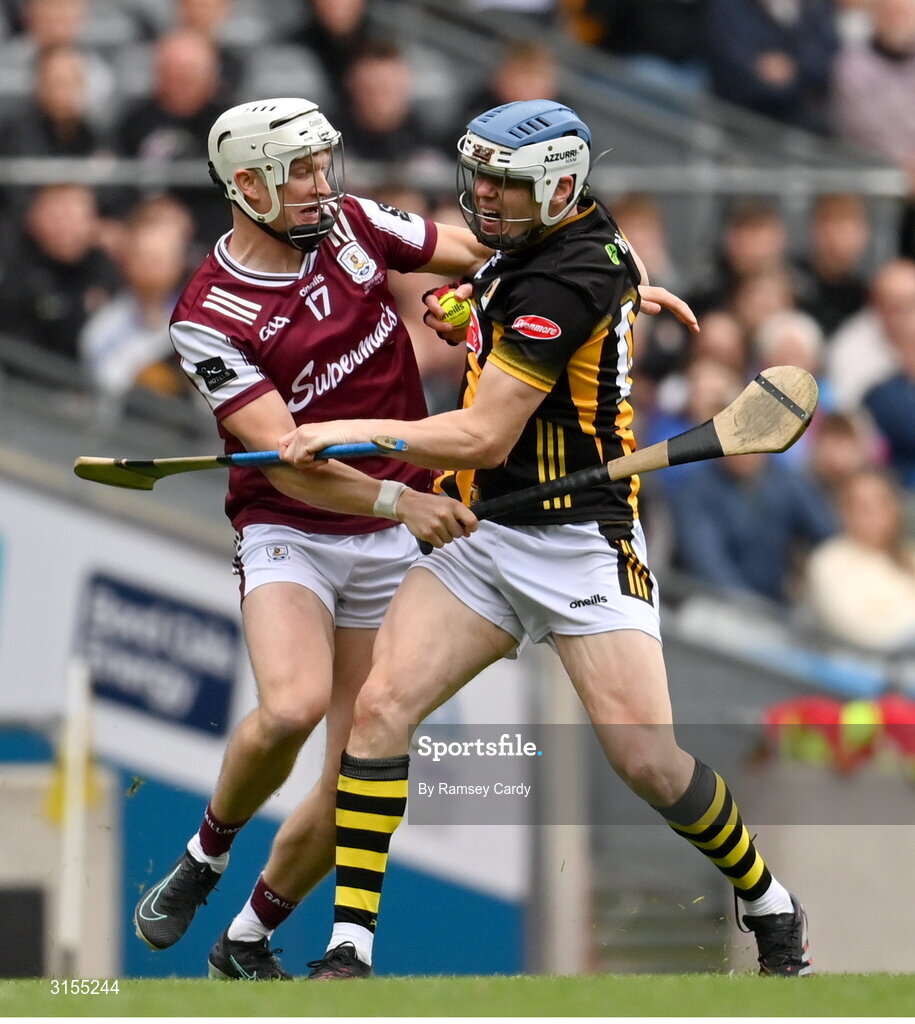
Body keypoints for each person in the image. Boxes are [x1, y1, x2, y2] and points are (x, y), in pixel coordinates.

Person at [280, 99, 813, 980]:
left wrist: (349, 430)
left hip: (578, 542)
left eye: (506, 184)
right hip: (483, 533)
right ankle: (348, 948)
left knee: (647, 762)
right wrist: (469, 313)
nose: (484, 198)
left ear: (560, 186)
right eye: (480, 176)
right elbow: (509, 305)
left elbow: (484, 435)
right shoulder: (535, 248)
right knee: (377, 712)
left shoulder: (566, 276)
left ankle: (766, 898)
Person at [132, 95, 486, 981]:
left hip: (392, 534)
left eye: (325, 165)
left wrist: (497, 293)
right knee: (289, 705)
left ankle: (246, 939)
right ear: (246, 183)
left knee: (353, 771)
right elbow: (288, 465)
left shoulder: (355, 224)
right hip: (292, 527)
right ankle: (206, 854)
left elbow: (479, 250)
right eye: (302, 172)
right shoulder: (207, 314)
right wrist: (401, 504)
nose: (322, 185)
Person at [804, 467, 915, 650]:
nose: (873, 515)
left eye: (880, 504)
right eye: (863, 507)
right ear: (845, 512)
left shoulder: (909, 558)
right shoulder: (828, 562)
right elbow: (861, 632)